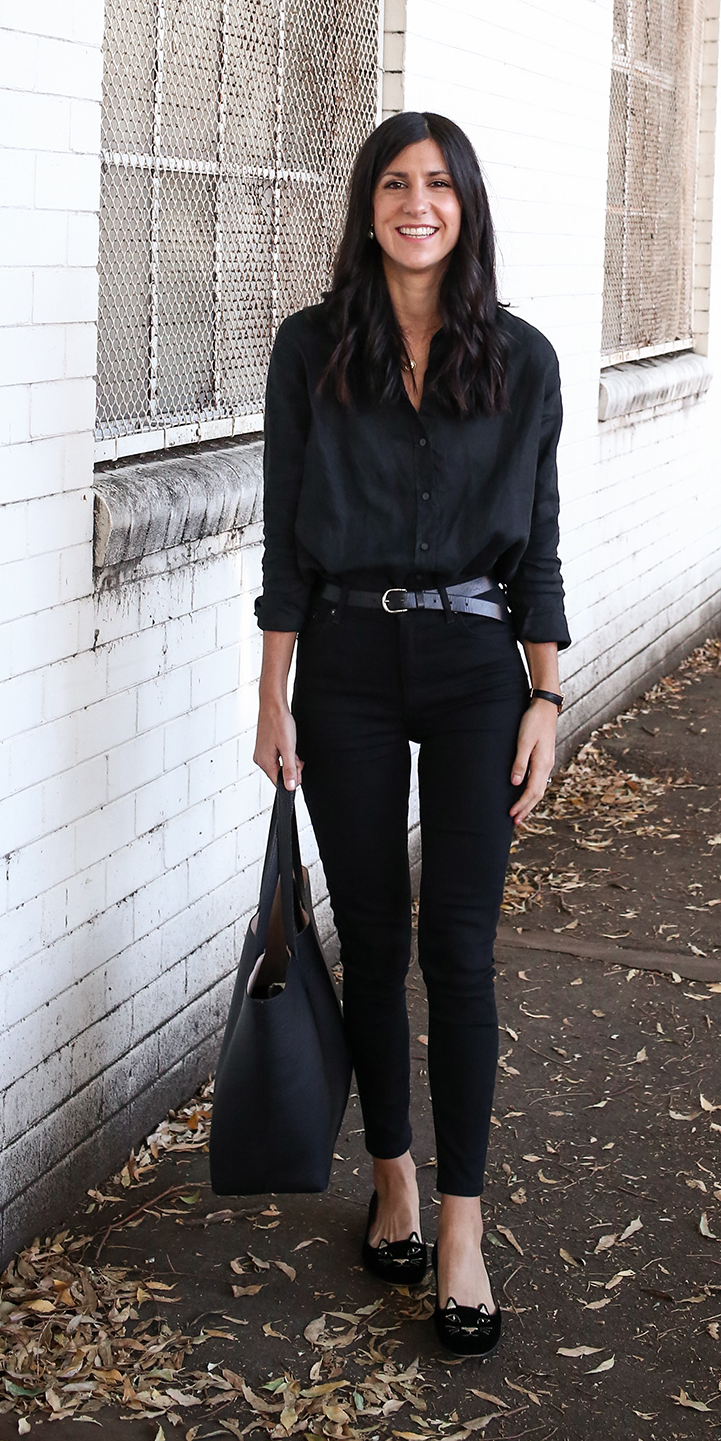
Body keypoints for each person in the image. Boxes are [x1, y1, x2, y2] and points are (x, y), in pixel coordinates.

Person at [253, 110, 569, 1360]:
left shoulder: (524, 360)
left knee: (464, 951)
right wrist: (271, 692)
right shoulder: (312, 349)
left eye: (439, 184)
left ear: (467, 206)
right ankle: (388, 1172)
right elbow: (283, 536)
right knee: (375, 940)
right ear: (367, 206)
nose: (418, 203)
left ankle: (461, 1231)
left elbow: (538, 544)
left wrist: (547, 696)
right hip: (342, 666)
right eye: (396, 183)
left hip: (473, 667)